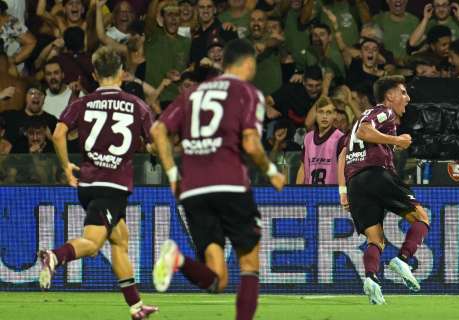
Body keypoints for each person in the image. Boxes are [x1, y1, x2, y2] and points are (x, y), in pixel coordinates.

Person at [150, 39, 285, 320]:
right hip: (231, 186)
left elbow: (159, 130)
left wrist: (173, 174)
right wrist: (271, 171)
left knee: (217, 280)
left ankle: (177, 259)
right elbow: (250, 143)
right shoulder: (247, 92)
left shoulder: (192, 94)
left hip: (193, 190)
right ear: (248, 63)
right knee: (249, 265)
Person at [37, 46, 158, 320]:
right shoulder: (137, 105)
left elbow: (58, 134)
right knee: (92, 244)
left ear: (94, 74)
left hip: (89, 183)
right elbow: (154, 143)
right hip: (113, 185)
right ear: (123, 73)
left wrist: (67, 167)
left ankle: (136, 307)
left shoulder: (81, 102)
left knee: (120, 239)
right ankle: (54, 256)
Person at [338, 75, 430, 304]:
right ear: (390, 96)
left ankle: (370, 280)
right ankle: (403, 259)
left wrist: (342, 190)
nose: (407, 98)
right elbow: (365, 133)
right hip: (375, 174)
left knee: (375, 239)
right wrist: (397, 141)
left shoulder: (359, 119)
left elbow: (343, 153)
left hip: (355, 183)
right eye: (403, 92)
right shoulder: (384, 112)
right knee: (421, 217)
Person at [296, 96, 344, 184]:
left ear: (335, 115)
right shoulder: (308, 138)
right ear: (316, 114)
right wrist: (297, 194)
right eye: (321, 112)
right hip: (310, 194)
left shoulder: (341, 138)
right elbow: (303, 168)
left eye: (328, 112)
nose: (324, 116)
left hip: (332, 194)